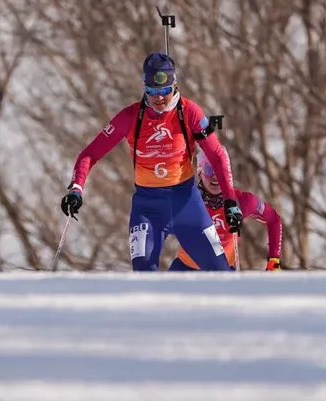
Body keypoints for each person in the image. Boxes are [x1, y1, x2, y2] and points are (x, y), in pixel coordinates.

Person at [60, 52, 244, 271]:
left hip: (187, 205)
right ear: (144, 88)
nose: (159, 98)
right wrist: (76, 189)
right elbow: (89, 154)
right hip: (147, 209)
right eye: (153, 92)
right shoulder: (130, 117)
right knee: (144, 277)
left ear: (174, 85)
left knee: (220, 273)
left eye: (165, 91)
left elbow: (217, 154)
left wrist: (230, 201)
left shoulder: (189, 112)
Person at [169, 148, 283, 271]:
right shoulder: (187, 200)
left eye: (220, 170)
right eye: (209, 170)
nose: (215, 176)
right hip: (186, 270)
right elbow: (157, 224)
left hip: (223, 271)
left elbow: (274, 219)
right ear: (200, 172)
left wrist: (274, 260)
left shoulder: (241, 201)